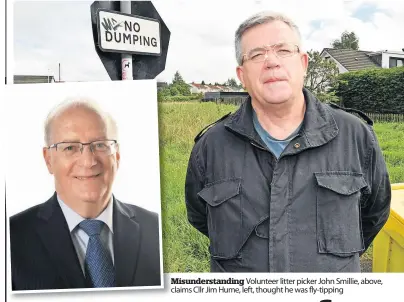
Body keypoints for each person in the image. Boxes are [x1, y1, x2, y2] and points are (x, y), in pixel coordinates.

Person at [185, 11, 391, 272]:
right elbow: (200, 217)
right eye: (257, 55)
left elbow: (374, 213)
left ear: (303, 63)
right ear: (241, 74)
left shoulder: (356, 136)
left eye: (283, 50)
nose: (271, 62)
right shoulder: (210, 146)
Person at [10, 99, 161, 290]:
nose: (88, 161)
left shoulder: (155, 228)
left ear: (117, 156)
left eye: (100, 145)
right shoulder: (10, 239)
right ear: (48, 159)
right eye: (70, 148)